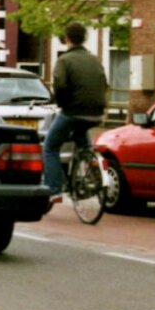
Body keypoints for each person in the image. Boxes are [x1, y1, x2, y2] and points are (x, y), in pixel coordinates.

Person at [43, 22, 108, 202]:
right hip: (96, 112)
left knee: (50, 147)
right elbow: (104, 83)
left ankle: (55, 190)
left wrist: (63, 105)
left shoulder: (64, 60)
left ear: (68, 38)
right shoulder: (95, 59)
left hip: (74, 111)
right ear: (84, 38)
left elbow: (60, 85)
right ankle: (91, 161)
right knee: (81, 134)